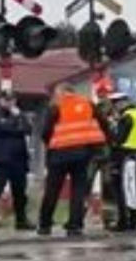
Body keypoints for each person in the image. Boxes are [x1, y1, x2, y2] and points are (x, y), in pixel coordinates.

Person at [38, 84, 108, 238]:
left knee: (52, 190)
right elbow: (103, 123)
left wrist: (51, 144)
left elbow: (45, 131)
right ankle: (75, 226)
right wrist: (103, 143)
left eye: (57, 93)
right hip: (82, 154)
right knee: (78, 191)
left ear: (62, 92)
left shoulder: (56, 106)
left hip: (58, 154)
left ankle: (45, 225)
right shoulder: (88, 104)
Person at [0, 91, 33, 231]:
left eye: (12, 100)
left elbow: (28, 129)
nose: (9, 102)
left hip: (19, 160)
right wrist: (16, 126)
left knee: (20, 192)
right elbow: (0, 128)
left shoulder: (19, 115)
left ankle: (21, 220)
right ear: (1, 101)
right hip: (1, 160)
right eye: (6, 100)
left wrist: (19, 116)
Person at [106, 92, 136, 232]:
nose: (114, 108)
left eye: (115, 104)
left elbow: (118, 139)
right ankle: (133, 220)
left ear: (121, 103)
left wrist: (111, 126)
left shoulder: (126, 117)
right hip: (135, 155)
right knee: (131, 189)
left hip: (122, 155)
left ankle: (123, 222)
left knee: (120, 189)